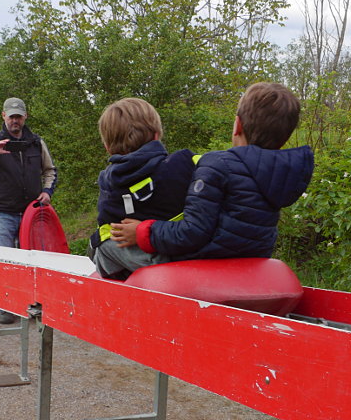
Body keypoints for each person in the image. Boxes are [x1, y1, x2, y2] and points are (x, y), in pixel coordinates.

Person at [110, 82, 314, 270]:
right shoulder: (282, 173)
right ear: (286, 135)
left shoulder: (217, 164)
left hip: (204, 263)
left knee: (106, 250)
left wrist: (142, 232)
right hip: (251, 266)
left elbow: (191, 234)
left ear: (237, 125)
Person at [0, 97, 57, 323]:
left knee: (33, 259)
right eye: (11, 116)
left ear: (25, 117)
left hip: (31, 212)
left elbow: (50, 170)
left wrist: (47, 191)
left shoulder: (37, 142)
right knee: (6, 262)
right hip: (3, 211)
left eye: (19, 116)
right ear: (3, 116)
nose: (15, 120)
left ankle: (34, 303)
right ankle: (7, 305)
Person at [88, 97, 197, 280]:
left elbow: (107, 227)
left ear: (107, 148)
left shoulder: (109, 184)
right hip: (190, 251)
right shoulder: (186, 164)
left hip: (152, 263)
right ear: (156, 135)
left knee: (101, 245)